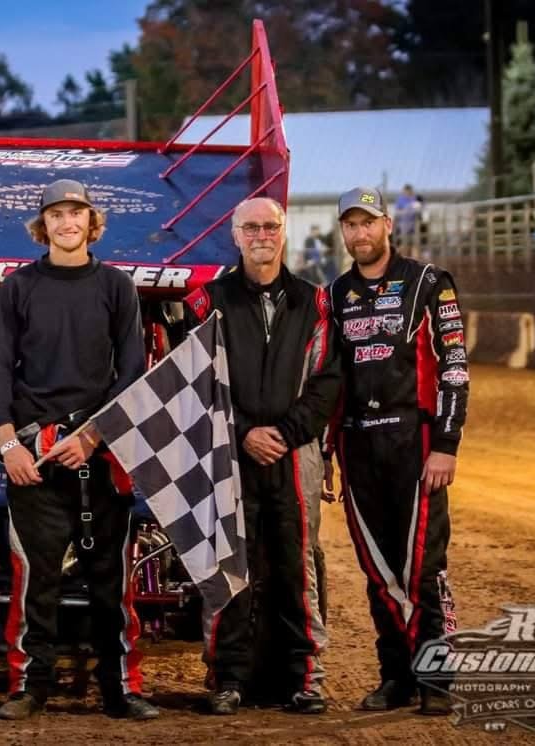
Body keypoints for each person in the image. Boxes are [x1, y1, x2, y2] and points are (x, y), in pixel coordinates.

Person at [0, 179, 158, 721]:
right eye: (57, 215)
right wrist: (8, 443)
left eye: (76, 214)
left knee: (112, 582)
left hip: (101, 452)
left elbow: (133, 372)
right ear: (44, 225)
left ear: (91, 222)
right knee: (34, 580)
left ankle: (121, 688)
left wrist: (91, 437)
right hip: (34, 454)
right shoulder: (17, 288)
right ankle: (27, 688)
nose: (67, 223)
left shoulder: (116, 287)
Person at [183, 197, 342, 716]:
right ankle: (227, 677)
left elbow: (327, 382)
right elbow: (195, 382)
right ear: (234, 234)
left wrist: (285, 432)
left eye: (269, 226)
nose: (260, 235)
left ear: (282, 232)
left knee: (299, 565)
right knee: (229, 564)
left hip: (295, 455)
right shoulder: (207, 301)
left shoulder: (315, 303)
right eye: (249, 226)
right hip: (229, 452)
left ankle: (305, 678)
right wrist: (247, 431)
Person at [325, 187, 467, 717]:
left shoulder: (430, 283)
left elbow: (455, 369)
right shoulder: (334, 295)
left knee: (423, 566)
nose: (360, 234)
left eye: (368, 223)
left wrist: (447, 445)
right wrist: (327, 450)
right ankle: (395, 678)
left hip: (417, 444)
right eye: (351, 225)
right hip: (357, 446)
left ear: (388, 224)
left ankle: (438, 678)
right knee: (377, 567)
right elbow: (327, 379)